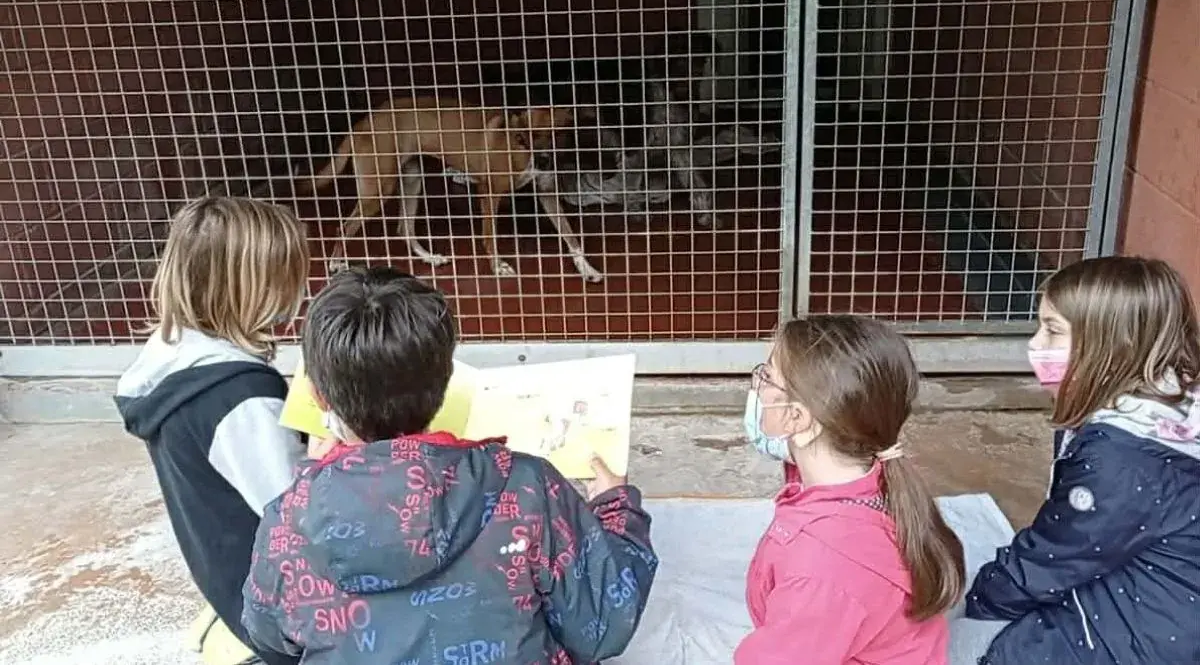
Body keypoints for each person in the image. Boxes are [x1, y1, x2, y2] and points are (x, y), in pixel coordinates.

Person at [241, 267, 658, 664]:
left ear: (316, 396)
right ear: (445, 381)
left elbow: (270, 636)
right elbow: (604, 626)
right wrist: (616, 508)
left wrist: (318, 479)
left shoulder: (288, 519)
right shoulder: (528, 487)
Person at [965, 256, 1200, 664]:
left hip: (1161, 636)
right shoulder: (1170, 400)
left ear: (1112, 345)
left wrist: (975, 601)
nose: (1036, 344)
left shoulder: (1119, 457)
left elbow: (1049, 560)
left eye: (1053, 331)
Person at [115, 196, 310, 665]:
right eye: (289, 278)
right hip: (279, 618)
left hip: (226, 579)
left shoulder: (170, 358)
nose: (301, 289)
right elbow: (301, 517)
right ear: (252, 289)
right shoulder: (240, 399)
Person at [735, 315, 965, 665]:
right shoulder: (869, 474)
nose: (757, 389)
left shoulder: (823, 571)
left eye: (766, 377)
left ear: (796, 418)